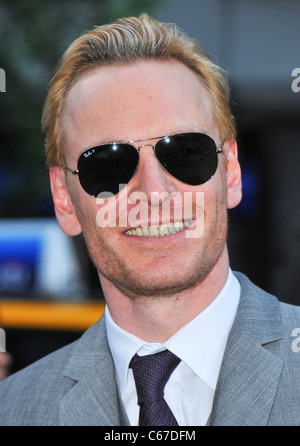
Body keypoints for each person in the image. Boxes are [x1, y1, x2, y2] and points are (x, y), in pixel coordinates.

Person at [0, 13, 300, 427]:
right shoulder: (13, 410)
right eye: (106, 165)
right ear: (64, 199)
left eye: (185, 153)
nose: (154, 193)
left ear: (230, 173)